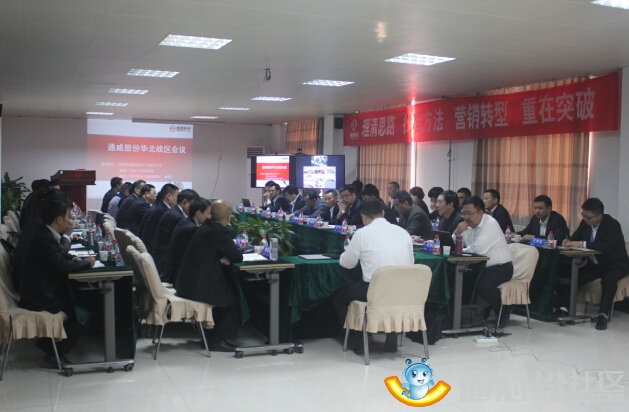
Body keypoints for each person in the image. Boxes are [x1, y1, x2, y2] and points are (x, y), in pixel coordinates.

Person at [331, 198, 414, 354]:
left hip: (373, 290)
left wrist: (343, 255)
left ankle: (359, 338)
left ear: (363, 217)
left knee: (338, 297)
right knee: (385, 295)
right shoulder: (403, 233)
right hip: (401, 290)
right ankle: (392, 334)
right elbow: (410, 263)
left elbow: (347, 264)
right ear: (383, 213)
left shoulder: (362, 234)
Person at [18, 198, 95, 365]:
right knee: (83, 311)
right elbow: (62, 266)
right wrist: (86, 263)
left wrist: (74, 258)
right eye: (68, 216)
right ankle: (54, 352)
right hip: (40, 297)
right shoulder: (44, 238)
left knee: (83, 299)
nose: (70, 220)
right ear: (59, 219)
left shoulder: (44, 233)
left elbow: (58, 254)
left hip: (40, 289)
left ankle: (49, 344)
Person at [175, 200, 243, 352]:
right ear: (228, 217)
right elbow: (238, 255)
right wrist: (229, 256)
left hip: (187, 282)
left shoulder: (207, 226)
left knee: (225, 293)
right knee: (231, 301)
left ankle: (210, 337)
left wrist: (227, 256)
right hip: (198, 286)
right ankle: (216, 341)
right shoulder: (220, 231)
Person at [557, 198, 629, 330]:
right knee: (575, 275)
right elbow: (575, 237)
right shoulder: (585, 224)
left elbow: (606, 246)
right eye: (583, 215)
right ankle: (564, 308)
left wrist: (582, 244)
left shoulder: (612, 225)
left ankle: (602, 316)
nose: (585, 219)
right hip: (596, 264)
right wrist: (568, 241)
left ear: (599, 216)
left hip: (615, 264)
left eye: (588, 217)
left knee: (609, 279)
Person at [454, 196, 513, 328]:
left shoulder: (490, 224)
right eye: (463, 213)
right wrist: (457, 232)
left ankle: (503, 309)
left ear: (481, 212)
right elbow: (458, 244)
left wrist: (460, 250)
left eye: (469, 213)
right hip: (479, 266)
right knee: (459, 280)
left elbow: (476, 250)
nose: (466, 217)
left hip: (501, 268)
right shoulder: (467, 225)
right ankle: (466, 315)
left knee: (482, 285)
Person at [162, 197, 212, 284]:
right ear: (198, 213)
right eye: (208, 213)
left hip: (171, 271)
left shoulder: (184, 222)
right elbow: (201, 254)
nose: (210, 217)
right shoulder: (192, 229)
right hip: (178, 277)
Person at [152, 189, 199, 274]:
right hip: (165, 263)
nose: (196, 209)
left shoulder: (175, 211)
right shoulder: (177, 217)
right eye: (194, 205)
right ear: (184, 203)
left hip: (162, 257)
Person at [139, 183, 179, 252]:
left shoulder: (159, 206)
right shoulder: (162, 211)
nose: (178, 200)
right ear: (169, 196)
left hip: (149, 246)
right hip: (153, 250)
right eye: (177, 196)